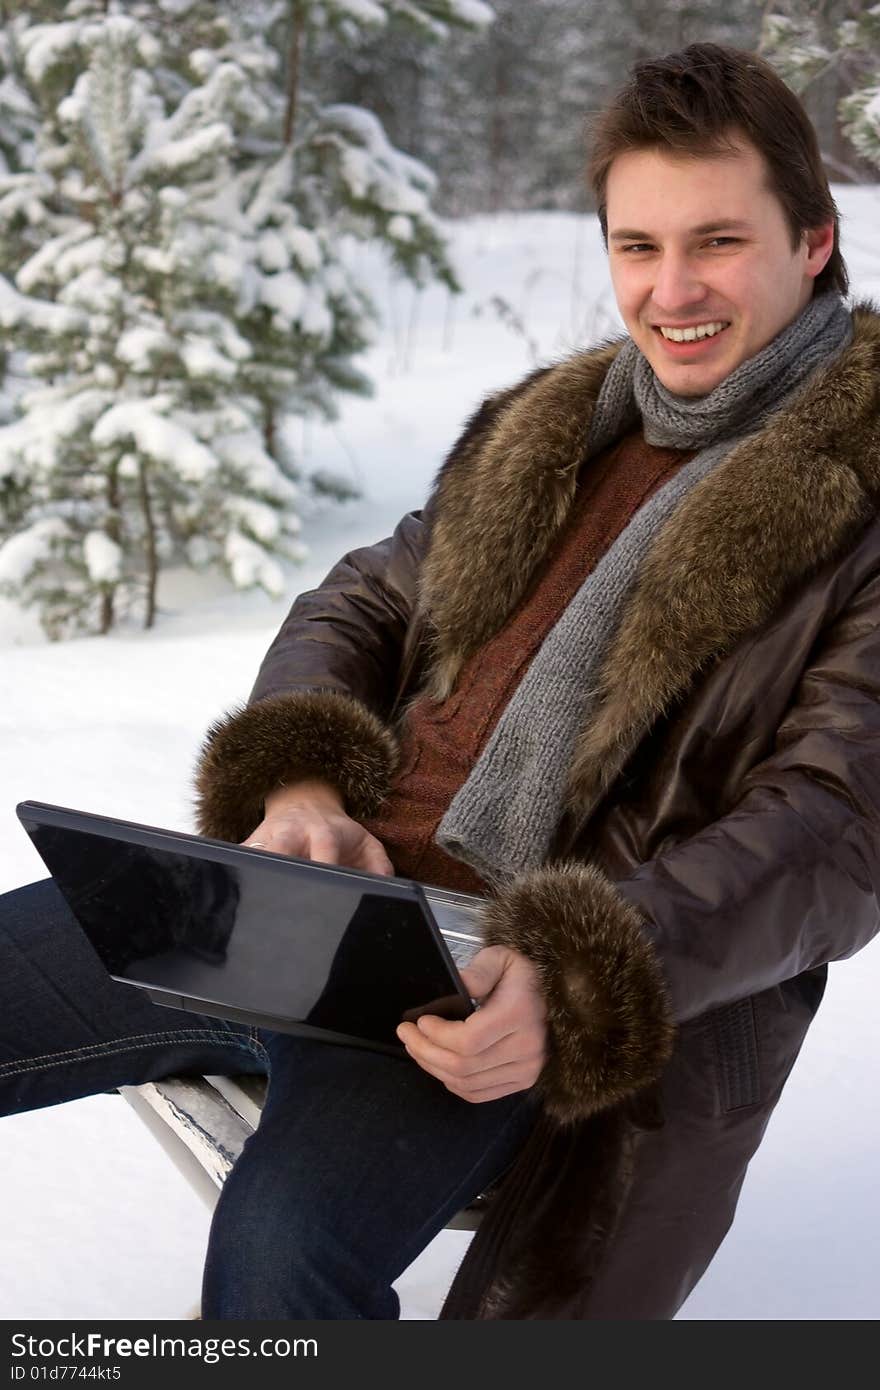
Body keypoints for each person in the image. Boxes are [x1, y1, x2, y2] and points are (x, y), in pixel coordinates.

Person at [3, 40, 880, 1320]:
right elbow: (363, 596)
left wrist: (580, 965)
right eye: (636, 247)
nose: (672, 288)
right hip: (312, 902)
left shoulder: (855, 496)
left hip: (476, 981)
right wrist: (300, 777)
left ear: (811, 240)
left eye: (716, 242)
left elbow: (835, 825)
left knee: (279, 1261)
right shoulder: (556, 424)